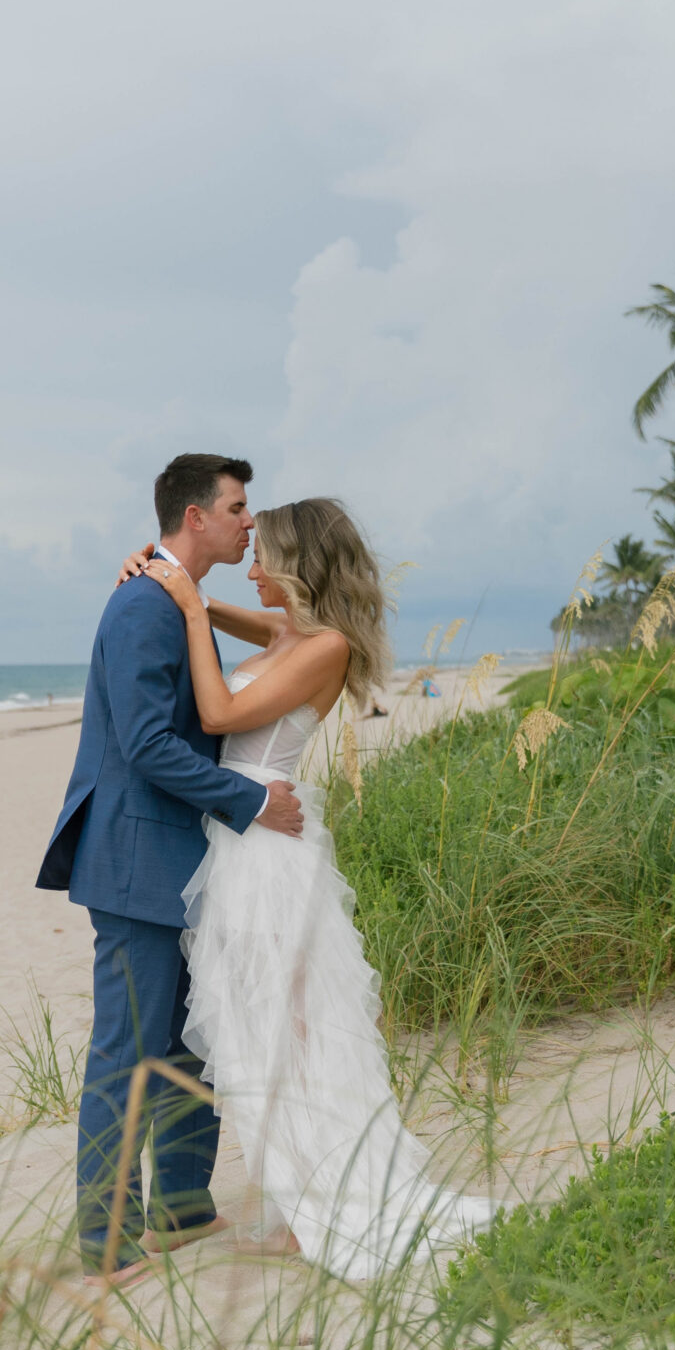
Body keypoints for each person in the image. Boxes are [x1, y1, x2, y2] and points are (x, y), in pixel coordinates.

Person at [127, 497, 494, 1279]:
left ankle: (317, 1204)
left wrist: (188, 605)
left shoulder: (324, 646)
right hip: (241, 842)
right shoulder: (291, 632)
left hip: (268, 849)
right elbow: (238, 620)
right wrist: (168, 577)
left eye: (262, 557)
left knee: (285, 1030)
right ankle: (303, 1201)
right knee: (262, 1027)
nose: (249, 566)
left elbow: (221, 707)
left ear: (298, 566)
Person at [36, 454, 305, 1284]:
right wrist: (253, 803)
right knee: (127, 1051)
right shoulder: (144, 610)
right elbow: (149, 746)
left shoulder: (174, 602)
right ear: (195, 516)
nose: (247, 521)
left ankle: (182, 1207)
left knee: (190, 1044)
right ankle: (106, 1243)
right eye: (236, 507)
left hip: (182, 862)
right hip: (134, 862)